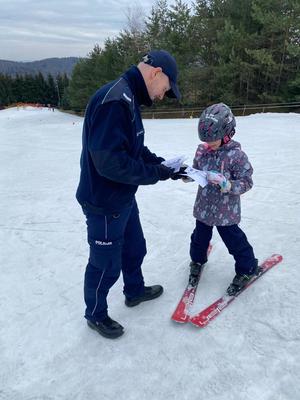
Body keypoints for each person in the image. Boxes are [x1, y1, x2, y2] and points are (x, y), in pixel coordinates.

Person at [76, 50, 184, 339]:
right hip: (104, 202)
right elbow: (110, 163)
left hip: (122, 197)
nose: (163, 95)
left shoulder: (128, 98)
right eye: (166, 88)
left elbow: (133, 150)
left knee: (135, 248)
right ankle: (95, 314)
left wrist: (165, 167)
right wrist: (156, 175)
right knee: (105, 264)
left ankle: (134, 290)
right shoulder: (114, 101)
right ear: (155, 73)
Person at [187, 103, 258, 295]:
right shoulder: (202, 151)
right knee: (199, 239)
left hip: (226, 211)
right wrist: (187, 174)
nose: (209, 143)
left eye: (214, 139)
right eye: (206, 139)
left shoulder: (237, 156)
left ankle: (248, 267)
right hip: (203, 207)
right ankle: (197, 260)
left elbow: (247, 181)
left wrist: (229, 185)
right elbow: (197, 170)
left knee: (235, 241)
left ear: (228, 133)